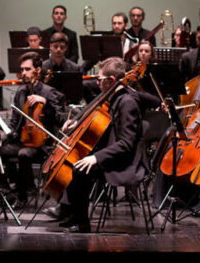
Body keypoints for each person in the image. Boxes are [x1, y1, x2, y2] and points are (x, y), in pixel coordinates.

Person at [60, 57, 146, 232]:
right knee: (75, 161)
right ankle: (72, 214)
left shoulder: (127, 102)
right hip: (113, 152)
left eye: (100, 79)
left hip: (126, 160)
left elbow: (126, 144)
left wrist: (96, 158)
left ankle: (82, 223)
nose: (97, 83)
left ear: (111, 80)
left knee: (80, 169)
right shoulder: (114, 97)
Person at [0, 52, 66, 202]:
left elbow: (61, 119)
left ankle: (26, 189)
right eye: (22, 70)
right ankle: (7, 192)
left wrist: (45, 103)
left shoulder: (48, 92)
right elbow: (14, 125)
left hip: (42, 144)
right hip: (23, 141)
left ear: (37, 70)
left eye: (27, 69)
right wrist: (0, 139)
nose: (23, 73)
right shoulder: (20, 92)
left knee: (23, 154)